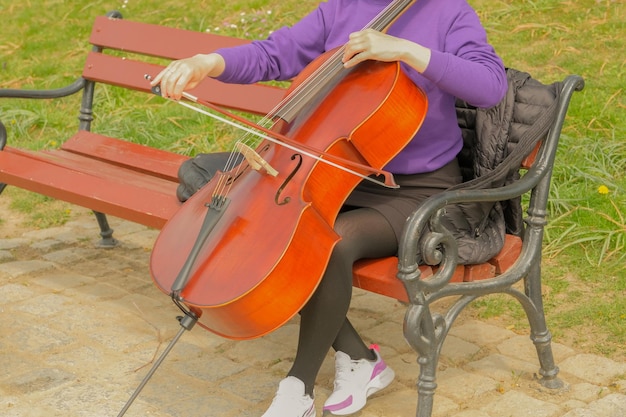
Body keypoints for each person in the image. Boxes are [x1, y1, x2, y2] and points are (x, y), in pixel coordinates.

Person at [151, 0, 507, 416]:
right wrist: (205, 63)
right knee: (208, 183)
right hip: (339, 172)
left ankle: (298, 387)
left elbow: (491, 85)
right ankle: (359, 356)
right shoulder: (342, 7)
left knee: (332, 243)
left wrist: (407, 50)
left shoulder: (448, 11)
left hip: (415, 189)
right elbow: (275, 53)